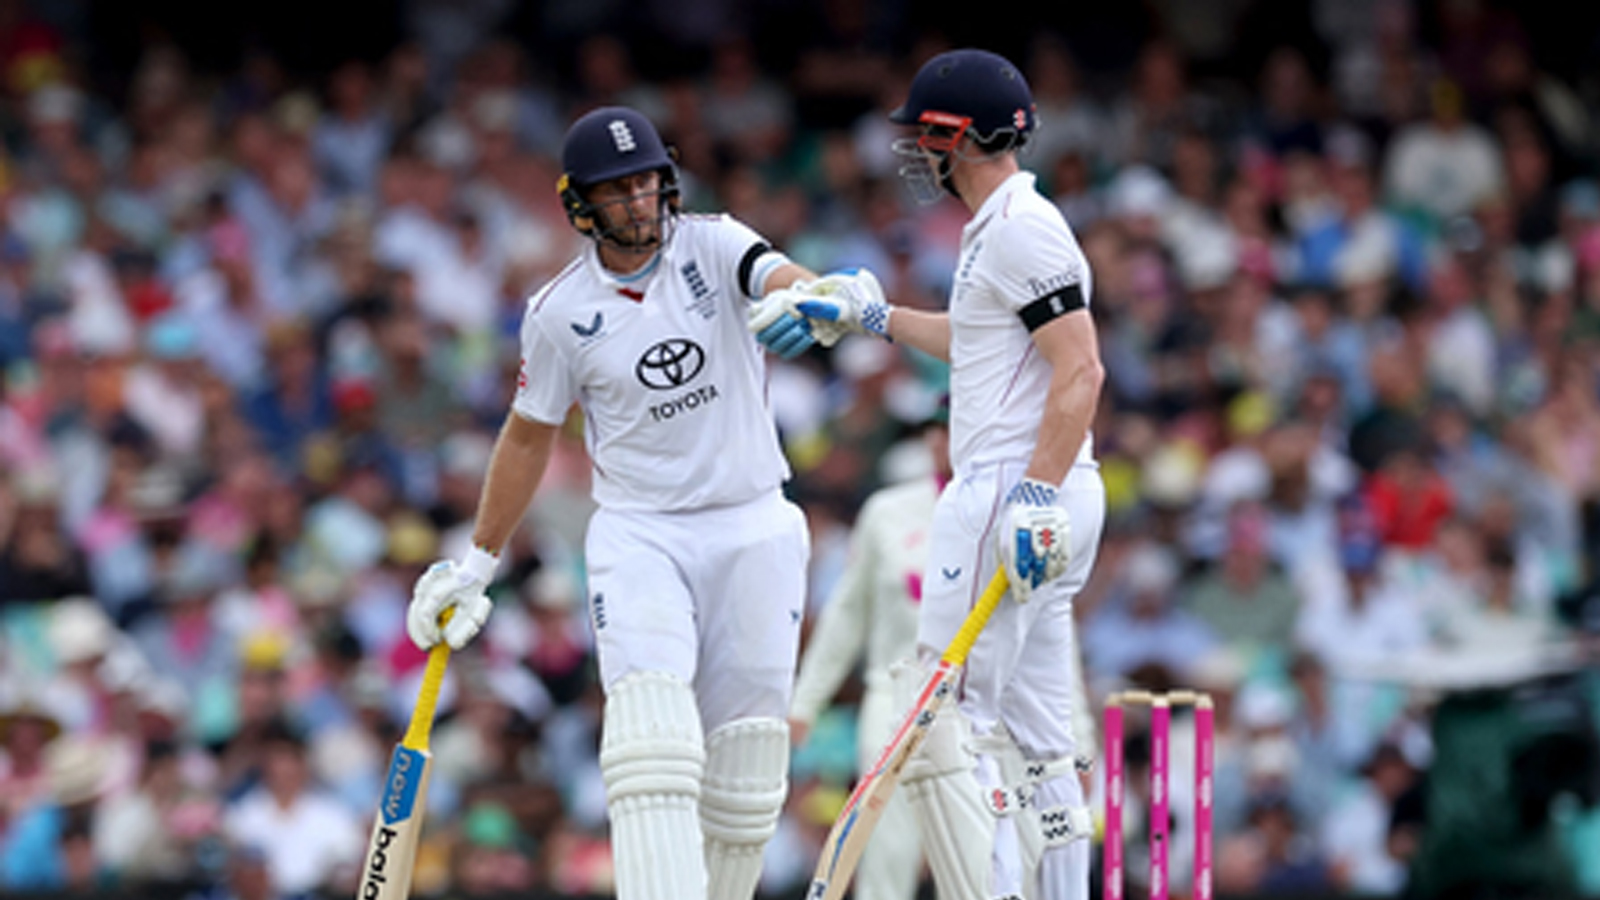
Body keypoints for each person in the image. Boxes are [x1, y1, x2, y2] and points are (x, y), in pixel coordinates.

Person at [404, 105, 818, 900]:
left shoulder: (715, 243)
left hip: (755, 521)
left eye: (646, 182)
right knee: (652, 742)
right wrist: (478, 562)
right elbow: (528, 437)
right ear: (580, 204)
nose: (637, 201)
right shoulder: (558, 312)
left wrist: (819, 300)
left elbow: (780, 277)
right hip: (642, 533)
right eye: (617, 190)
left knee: (747, 769)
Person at [755, 48, 1107, 900]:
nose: (917, 151)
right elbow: (975, 340)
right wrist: (873, 315)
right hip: (1042, 485)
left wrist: (1033, 493)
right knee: (1038, 737)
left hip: (1013, 484)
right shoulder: (1003, 228)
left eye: (926, 135)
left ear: (962, 135)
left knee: (946, 715)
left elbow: (1083, 368)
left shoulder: (1021, 228)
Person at [786, 409, 951, 900]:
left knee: (976, 852)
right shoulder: (888, 511)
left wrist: (1074, 730)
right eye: (939, 430)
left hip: (974, 703)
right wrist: (805, 702)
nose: (945, 441)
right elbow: (847, 613)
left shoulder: (1006, 513)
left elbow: (1048, 630)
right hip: (894, 692)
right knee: (886, 844)